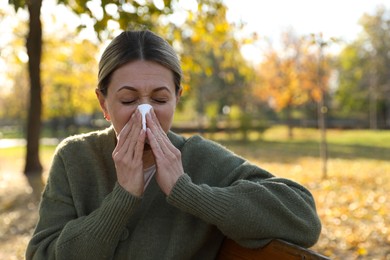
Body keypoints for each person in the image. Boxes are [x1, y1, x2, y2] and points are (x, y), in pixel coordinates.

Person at [26, 30, 321, 259]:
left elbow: (303, 218)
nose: (146, 113)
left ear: (177, 98)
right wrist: (123, 197)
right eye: (128, 100)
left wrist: (186, 191)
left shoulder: (202, 159)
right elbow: (41, 255)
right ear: (103, 103)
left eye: (160, 99)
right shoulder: (75, 158)